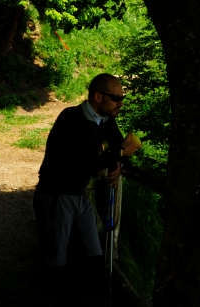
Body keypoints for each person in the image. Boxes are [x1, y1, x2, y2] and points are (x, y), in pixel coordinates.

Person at [34, 74, 142, 273]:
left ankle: (89, 297)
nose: (121, 104)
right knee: (57, 258)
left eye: (122, 98)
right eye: (116, 98)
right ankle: (51, 299)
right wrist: (121, 154)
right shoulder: (71, 119)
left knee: (93, 253)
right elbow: (88, 161)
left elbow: (116, 149)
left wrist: (118, 163)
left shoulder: (106, 121)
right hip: (57, 194)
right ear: (98, 97)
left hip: (80, 194)